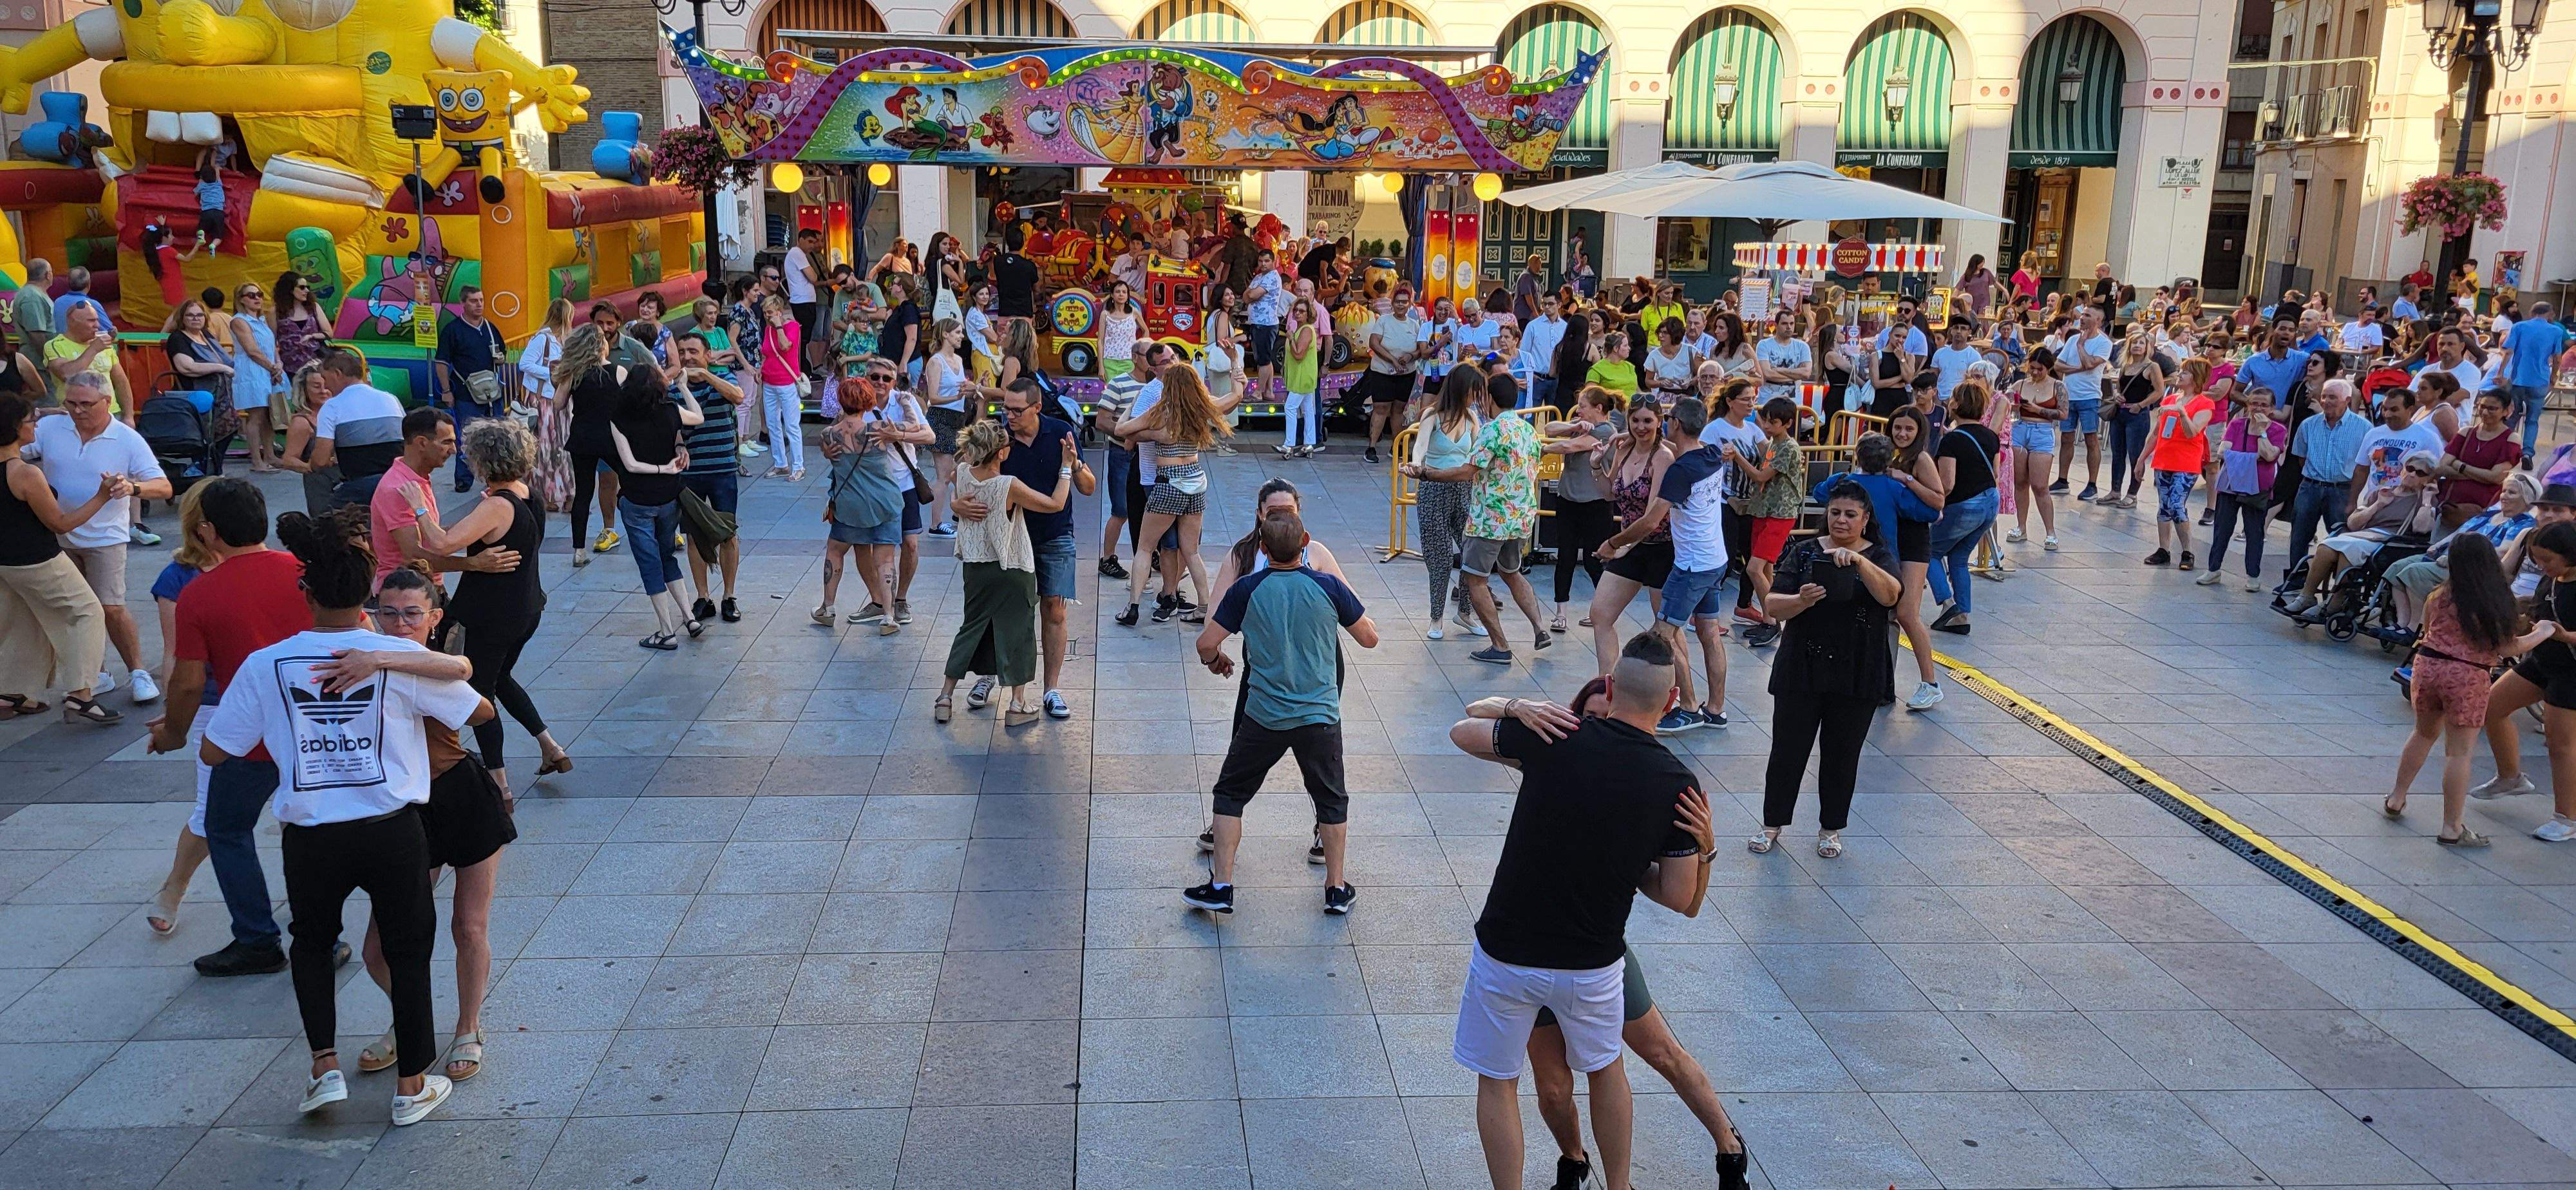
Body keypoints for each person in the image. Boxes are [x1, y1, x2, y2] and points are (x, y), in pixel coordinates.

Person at [198, 507, 482, 1128]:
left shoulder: (267, 664)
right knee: (409, 952)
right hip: (391, 830)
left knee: (311, 944)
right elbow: (477, 711)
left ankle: (324, 1068)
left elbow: (215, 750)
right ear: (368, 598)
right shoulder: (392, 656)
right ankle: (412, 1085)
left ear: (306, 593)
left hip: (310, 834)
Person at [1444, 630, 1717, 1190]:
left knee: (1498, 1082)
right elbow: (1677, 897)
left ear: (1611, 687)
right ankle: (1619, 1186)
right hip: (1593, 964)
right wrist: (1699, 848)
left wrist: (1518, 707)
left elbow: (1461, 730)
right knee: (1606, 1070)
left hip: (1508, 952)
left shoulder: (1555, 736)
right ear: (1669, 702)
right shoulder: (1677, 784)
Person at [327, 566, 511, 1085]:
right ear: (373, 613)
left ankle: (468, 1027)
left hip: (460, 795)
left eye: (413, 614)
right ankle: (411, 1020)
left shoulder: (413, 663)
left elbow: (481, 709)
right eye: (389, 613)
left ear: (434, 617)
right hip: (401, 808)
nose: (401, 623)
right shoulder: (362, 657)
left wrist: (393, 657)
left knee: (468, 926)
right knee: (377, 948)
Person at [1183, 508, 1379, 915]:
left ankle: (1221, 886)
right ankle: (1336, 889)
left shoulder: (1248, 590)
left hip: (1264, 715)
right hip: (1320, 716)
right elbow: (1370, 638)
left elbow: (1205, 644)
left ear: (1264, 547)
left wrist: (1217, 660)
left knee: (1230, 794)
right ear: (1305, 544)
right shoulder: (1328, 587)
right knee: (1331, 800)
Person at [1751, 479, 1901, 857]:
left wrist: (1861, 562)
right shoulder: (1804, 553)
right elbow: (1772, 604)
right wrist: (1801, 600)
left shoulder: (1879, 556)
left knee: (1843, 753)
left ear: (1865, 520)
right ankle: (1772, 824)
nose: (1842, 521)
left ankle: (1830, 829)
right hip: (1802, 665)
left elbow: (1891, 596)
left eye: (1851, 515)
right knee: (1788, 749)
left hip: (1857, 669)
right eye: (1835, 513)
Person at [2386, 533, 2548, 845]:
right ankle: (2452, 828)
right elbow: (2507, 647)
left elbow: (2428, 628)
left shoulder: (2439, 595)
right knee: (2459, 753)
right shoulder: (2492, 602)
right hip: (2468, 675)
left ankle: (2396, 797)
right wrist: (2541, 632)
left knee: (2422, 734)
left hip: (2428, 666)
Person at [435, 419, 565, 794]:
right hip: (527, 608)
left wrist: (419, 511)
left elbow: (443, 544)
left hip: (492, 614)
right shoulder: (527, 495)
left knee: (479, 693)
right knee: (501, 678)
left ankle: (499, 783)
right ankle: (549, 747)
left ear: (481, 461)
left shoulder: (497, 506)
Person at [951, 378, 1095, 718]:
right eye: (1006, 409)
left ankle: (1052, 690)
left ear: (1037, 408)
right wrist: (957, 506)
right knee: (1000, 610)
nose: (1010, 417)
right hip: (1008, 538)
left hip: (1055, 536)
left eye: (1017, 410)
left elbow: (1088, 488)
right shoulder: (1001, 439)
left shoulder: (1061, 431)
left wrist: (1073, 464)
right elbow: (970, 478)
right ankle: (990, 676)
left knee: (1055, 609)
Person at [23, 372, 171, 702]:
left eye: (86, 404)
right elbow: (14, 446)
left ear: (107, 402)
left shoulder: (127, 438)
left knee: (111, 607)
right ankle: (96, 673)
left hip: (105, 538)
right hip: (57, 537)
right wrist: (40, 413)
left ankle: (138, 673)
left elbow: (164, 486)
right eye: (71, 403)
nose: (77, 410)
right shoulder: (50, 428)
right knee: (74, 612)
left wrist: (132, 488)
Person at [1598, 394, 1730, 731]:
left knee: (1664, 635)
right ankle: (1715, 710)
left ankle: (1687, 708)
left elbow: (1649, 522)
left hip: (1690, 565)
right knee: (1709, 634)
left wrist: (1613, 543)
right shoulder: (1712, 454)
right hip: (1716, 560)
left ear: (1675, 425)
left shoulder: (1680, 470)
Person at [1409, 371, 1556, 663]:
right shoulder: (1526, 429)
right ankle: (1540, 628)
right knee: (1510, 573)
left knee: (1474, 578)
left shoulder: (1491, 429)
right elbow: (1545, 451)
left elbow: (1468, 470)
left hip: (1490, 519)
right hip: (1520, 519)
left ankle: (1499, 645)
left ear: (1490, 399)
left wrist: (1426, 473)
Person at [935, 419, 1071, 723]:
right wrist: (1066, 468)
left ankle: (945, 697)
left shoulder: (963, 475)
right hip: (1012, 567)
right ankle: (1017, 705)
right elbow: (1054, 504)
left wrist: (956, 505)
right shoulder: (1008, 485)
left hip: (975, 568)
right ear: (1001, 454)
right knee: (1019, 632)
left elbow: (959, 495)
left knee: (971, 628)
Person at [0, 390, 116, 724]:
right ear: (13, 428)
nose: (35, 425)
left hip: (5, 563)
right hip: (38, 559)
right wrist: (102, 496)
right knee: (87, 613)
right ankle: (81, 696)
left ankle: (13, 692)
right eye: (29, 420)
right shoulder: (24, 474)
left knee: (23, 621)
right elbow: (59, 522)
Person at [2471, 520, 2576, 840]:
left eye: (2547, 559)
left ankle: (2567, 818)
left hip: (2571, 672)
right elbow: (2536, 612)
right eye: (2537, 559)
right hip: (2541, 661)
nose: (2542, 566)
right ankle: (2510, 776)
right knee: (2490, 706)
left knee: (2561, 746)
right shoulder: (2553, 580)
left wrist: (2563, 636)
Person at [1113, 364, 1236, 626]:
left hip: (1169, 483)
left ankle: (1132, 608)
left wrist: (1131, 407)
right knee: (1192, 552)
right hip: (1196, 481)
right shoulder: (1200, 411)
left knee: (1145, 548)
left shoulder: (1161, 413)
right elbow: (1233, 399)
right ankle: (1205, 606)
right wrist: (1238, 376)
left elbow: (1122, 430)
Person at [610, 339, 706, 647]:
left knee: (649, 563)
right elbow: (699, 417)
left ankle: (666, 631)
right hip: (668, 499)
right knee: (667, 556)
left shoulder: (619, 419)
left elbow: (631, 465)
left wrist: (661, 468)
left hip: (637, 499)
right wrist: (685, 387)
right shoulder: (670, 410)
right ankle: (688, 617)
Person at [2283, 451, 2443, 616]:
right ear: (2403, 469)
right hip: (2363, 536)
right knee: (2325, 547)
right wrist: (2378, 505)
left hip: (2389, 543)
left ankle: (2336, 601)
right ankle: (2306, 596)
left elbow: (2421, 529)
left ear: (2429, 479)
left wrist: (2426, 499)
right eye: (2410, 468)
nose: (2412, 474)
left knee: (2348, 549)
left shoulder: (2425, 502)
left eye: (2420, 473)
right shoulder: (2382, 492)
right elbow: (2352, 523)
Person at [664, 332, 746, 621]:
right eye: (682, 351)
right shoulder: (675, 390)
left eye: (693, 352)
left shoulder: (725, 379)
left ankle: (730, 596)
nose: (687, 357)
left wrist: (707, 376)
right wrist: (678, 445)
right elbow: (671, 427)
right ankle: (703, 597)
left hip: (722, 469)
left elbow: (738, 397)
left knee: (728, 532)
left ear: (708, 355)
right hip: (691, 472)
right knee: (695, 535)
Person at [1406, 370, 1483, 639]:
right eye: (1474, 392)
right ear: (1462, 390)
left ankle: (1465, 611)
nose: (1477, 398)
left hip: (1464, 491)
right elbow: (1421, 446)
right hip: (1433, 490)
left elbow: (1478, 454)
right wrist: (1416, 464)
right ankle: (1436, 617)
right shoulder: (1432, 416)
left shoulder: (1473, 418)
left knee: (1471, 554)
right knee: (1439, 558)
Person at [1544, 386, 1622, 634]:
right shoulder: (1581, 425)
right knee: (1565, 557)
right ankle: (1560, 614)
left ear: (1598, 408)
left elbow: (1570, 448)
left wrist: (1542, 449)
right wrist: (1574, 426)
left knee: (1593, 559)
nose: (1579, 410)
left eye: (1583, 406)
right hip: (1568, 499)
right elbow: (1549, 429)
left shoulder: (1606, 431)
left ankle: (1602, 611)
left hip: (1596, 503)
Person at [1927, 381, 2002, 634]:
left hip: (1964, 505)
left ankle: (1948, 603)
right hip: (1990, 502)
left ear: (1957, 405)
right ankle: (1963, 615)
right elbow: (1996, 474)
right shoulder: (1991, 436)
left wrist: (1934, 507)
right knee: (1959, 557)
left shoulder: (1952, 441)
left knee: (1928, 550)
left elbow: (1947, 484)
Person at [2197, 388, 2287, 590]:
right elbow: (2222, 451)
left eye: (2264, 404)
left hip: (2258, 489)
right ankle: (2213, 569)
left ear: (2272, 408)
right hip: (2230, 485)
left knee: (2254, 532)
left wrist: (2261, 432)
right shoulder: (2237, 424)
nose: (2258, 408)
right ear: (2248, 405)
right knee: (2222, 529)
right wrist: (2255, 458)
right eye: (2254, 403)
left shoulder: (2277, 430)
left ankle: (2253, 576)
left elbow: (2271, 455)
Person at [2142, 366, 2217, 569]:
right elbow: (2157, 433)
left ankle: (2187, 551)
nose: (2179, 375)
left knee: (2177, 504)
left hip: (2186, 462)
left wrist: (2182, 412)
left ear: (2196, 377)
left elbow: (2193, 432)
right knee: (2164, 505)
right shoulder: (2169, 400)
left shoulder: (2205, 404)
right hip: (2164, 459)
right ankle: (2163, 549)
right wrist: (2141, 460)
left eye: (2185, 373)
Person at [2050, 305, 2112, 501]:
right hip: (2069, 396)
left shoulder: (2103, 343)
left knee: (2091, 439)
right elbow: (2058, 364)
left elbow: (2090, 364)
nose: (2082, 318)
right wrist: (2077, 367)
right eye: (2083, 314)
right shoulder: (2072, 339)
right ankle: (2062, 480)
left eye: (2087, 315)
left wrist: (2080, 347)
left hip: (2089, 397)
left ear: (2098, 321)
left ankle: (2092, 484)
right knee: (2066, 438)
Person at [2004, 347, 2063, 549]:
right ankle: (2021, 526)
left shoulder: (2058, 386)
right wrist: (2014, 406)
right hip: (2021, 428)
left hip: (2043, 431)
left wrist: (2038, 409)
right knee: (2020, 482)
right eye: (2033, 368)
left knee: (2040, 485)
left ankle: (2050, 531)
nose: (2035, 372)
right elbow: (2006, 403)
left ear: (2049, 368)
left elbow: (2063, 413)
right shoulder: (2020, 384)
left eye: (2040, 369)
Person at [1361, 288, 1427, 464]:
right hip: (1383, 372)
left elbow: (1421, 349)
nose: (1400, 305)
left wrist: (1410, 357)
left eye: (1404, 302)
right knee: (1381, 408)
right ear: (1392, 303)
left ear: (1410, 304)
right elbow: (1374, 343)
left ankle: (1396, 448)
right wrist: (1392, 360)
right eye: (1398, 301)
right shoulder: (1383, 321)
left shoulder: (1415, 325)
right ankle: (1372, 447)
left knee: (1399, 409)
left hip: (1406, 373)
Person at [2496, 300, 2568, 459]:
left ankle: (2506, 450)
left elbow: (2508, 352)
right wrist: (2553, 377)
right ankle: (2527, 453)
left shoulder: (2519, 327)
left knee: (2512, 416)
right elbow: (2557, 358)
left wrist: (2500, 373)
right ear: (2549, 314)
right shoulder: (2556, 331)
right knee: (2532, 420)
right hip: (2540, 380)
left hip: (2518, 379)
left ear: (2531, 313)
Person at [2103, 332, 2165, 504]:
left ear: (2147, 347)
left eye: (2141, 343)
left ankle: (2132, 494)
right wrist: (2116, 395)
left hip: (2137, 415)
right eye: (2134, 343)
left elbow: (2159, 391)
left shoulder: (2152, 367)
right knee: (2117, 453)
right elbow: (2118, 386)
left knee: (2135, 455)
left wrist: (2142, 404)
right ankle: (2115, 490)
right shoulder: (2126, 366)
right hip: (2120, 413)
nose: (2137, 346)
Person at [755, 295, 807, 482]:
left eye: (770, 312)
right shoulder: (768, 329)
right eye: (765, 313)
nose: (767, 316)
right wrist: (760, 370)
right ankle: (780, 463)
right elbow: (766, 354)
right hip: (769, 382)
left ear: (779, 311)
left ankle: (798, 466)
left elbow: (786, 346)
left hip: (786, 383)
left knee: (792, 426)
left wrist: (778, 326)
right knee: (773, 425)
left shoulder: (792, 327)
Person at [1278, 291, 1323, 457]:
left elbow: (1298, 354)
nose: (1297, 313)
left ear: (1308, 314)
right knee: (1308, 410)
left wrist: (1290, 338)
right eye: (1296, 310)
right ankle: (1309, 444)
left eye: (1301, 311)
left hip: (1302, 377)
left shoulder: (1305, 331)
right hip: (1303, 376)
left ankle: (1289, 444)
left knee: (1290, 407)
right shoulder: (1301, 329)